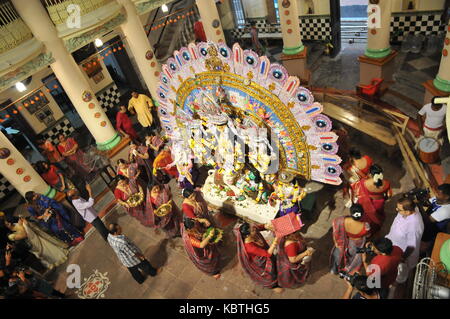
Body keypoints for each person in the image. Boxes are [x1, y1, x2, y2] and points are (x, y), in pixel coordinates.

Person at [235, 222, 283, 293]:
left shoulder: (252, 232)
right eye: (253, 230)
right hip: (262, 261)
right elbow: (268, 254)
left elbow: (258, 227)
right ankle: (273, 286)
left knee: (274, 263)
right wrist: (275, 241)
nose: (255, 229)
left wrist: (266, 226)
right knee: (270, 274)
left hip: (264, 252)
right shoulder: (249, 247)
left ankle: (278, 274)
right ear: (248, 235)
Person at [386, 197, 424, 282]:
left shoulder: (414, 226)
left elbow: (411, 246)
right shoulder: (408, 210)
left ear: (407, 212)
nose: (396, 210)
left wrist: (402, 258)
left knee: (400, 273)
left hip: (402, 254)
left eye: (399, 209)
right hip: (393, 244)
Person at [351, 164, 392, 235]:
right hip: (379, 203)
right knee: (378, 215)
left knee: (368, 218)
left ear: (370, 174)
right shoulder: (386, 183)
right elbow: (389, 195)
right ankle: (377, 226)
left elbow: (356, 191)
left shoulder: (364, 182)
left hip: (367, 203)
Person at [331, 204, 371, 275]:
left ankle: (339, 267)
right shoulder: (366, 226)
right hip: (358, 243)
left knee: (342, 255)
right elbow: (368, 235)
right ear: (361, 214)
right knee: (354, 257)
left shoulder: (342, 220)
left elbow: (335, 230)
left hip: (346, 241)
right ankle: (350, 269)